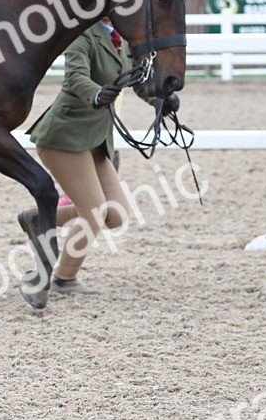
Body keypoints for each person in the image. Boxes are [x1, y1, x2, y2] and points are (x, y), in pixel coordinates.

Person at [19, 18, 178, 294]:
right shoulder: (81, 35)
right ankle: (64, 279)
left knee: (116, 214)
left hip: (96, 139)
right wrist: (96, 94)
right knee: (94, 212)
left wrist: (160, 101)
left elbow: (137, 80)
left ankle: (39, 219)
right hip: (65, 137)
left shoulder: (123, 38)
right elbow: (75, 77)